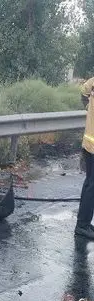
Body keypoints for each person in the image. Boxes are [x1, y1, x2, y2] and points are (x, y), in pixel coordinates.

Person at [75, 77, 94, 240]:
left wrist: (89, 107)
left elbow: (83, 91)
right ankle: (82, 226)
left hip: (89, 141)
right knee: (92, 184)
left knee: (90, 182)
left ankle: (84, 223)